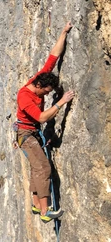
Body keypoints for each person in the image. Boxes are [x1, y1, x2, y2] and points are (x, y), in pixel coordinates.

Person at [16, 21, 75, 223]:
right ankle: (45, 211)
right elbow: (41, 118)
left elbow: (53, 55)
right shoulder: (24, 96)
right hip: (26, 134)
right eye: (45, 92)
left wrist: (63, 32)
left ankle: (35, 202)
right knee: (44, 168)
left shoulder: (40, 79)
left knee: (36, 166)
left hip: (31, 132)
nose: (45, 96)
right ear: (39, 85)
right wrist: (61, 103)